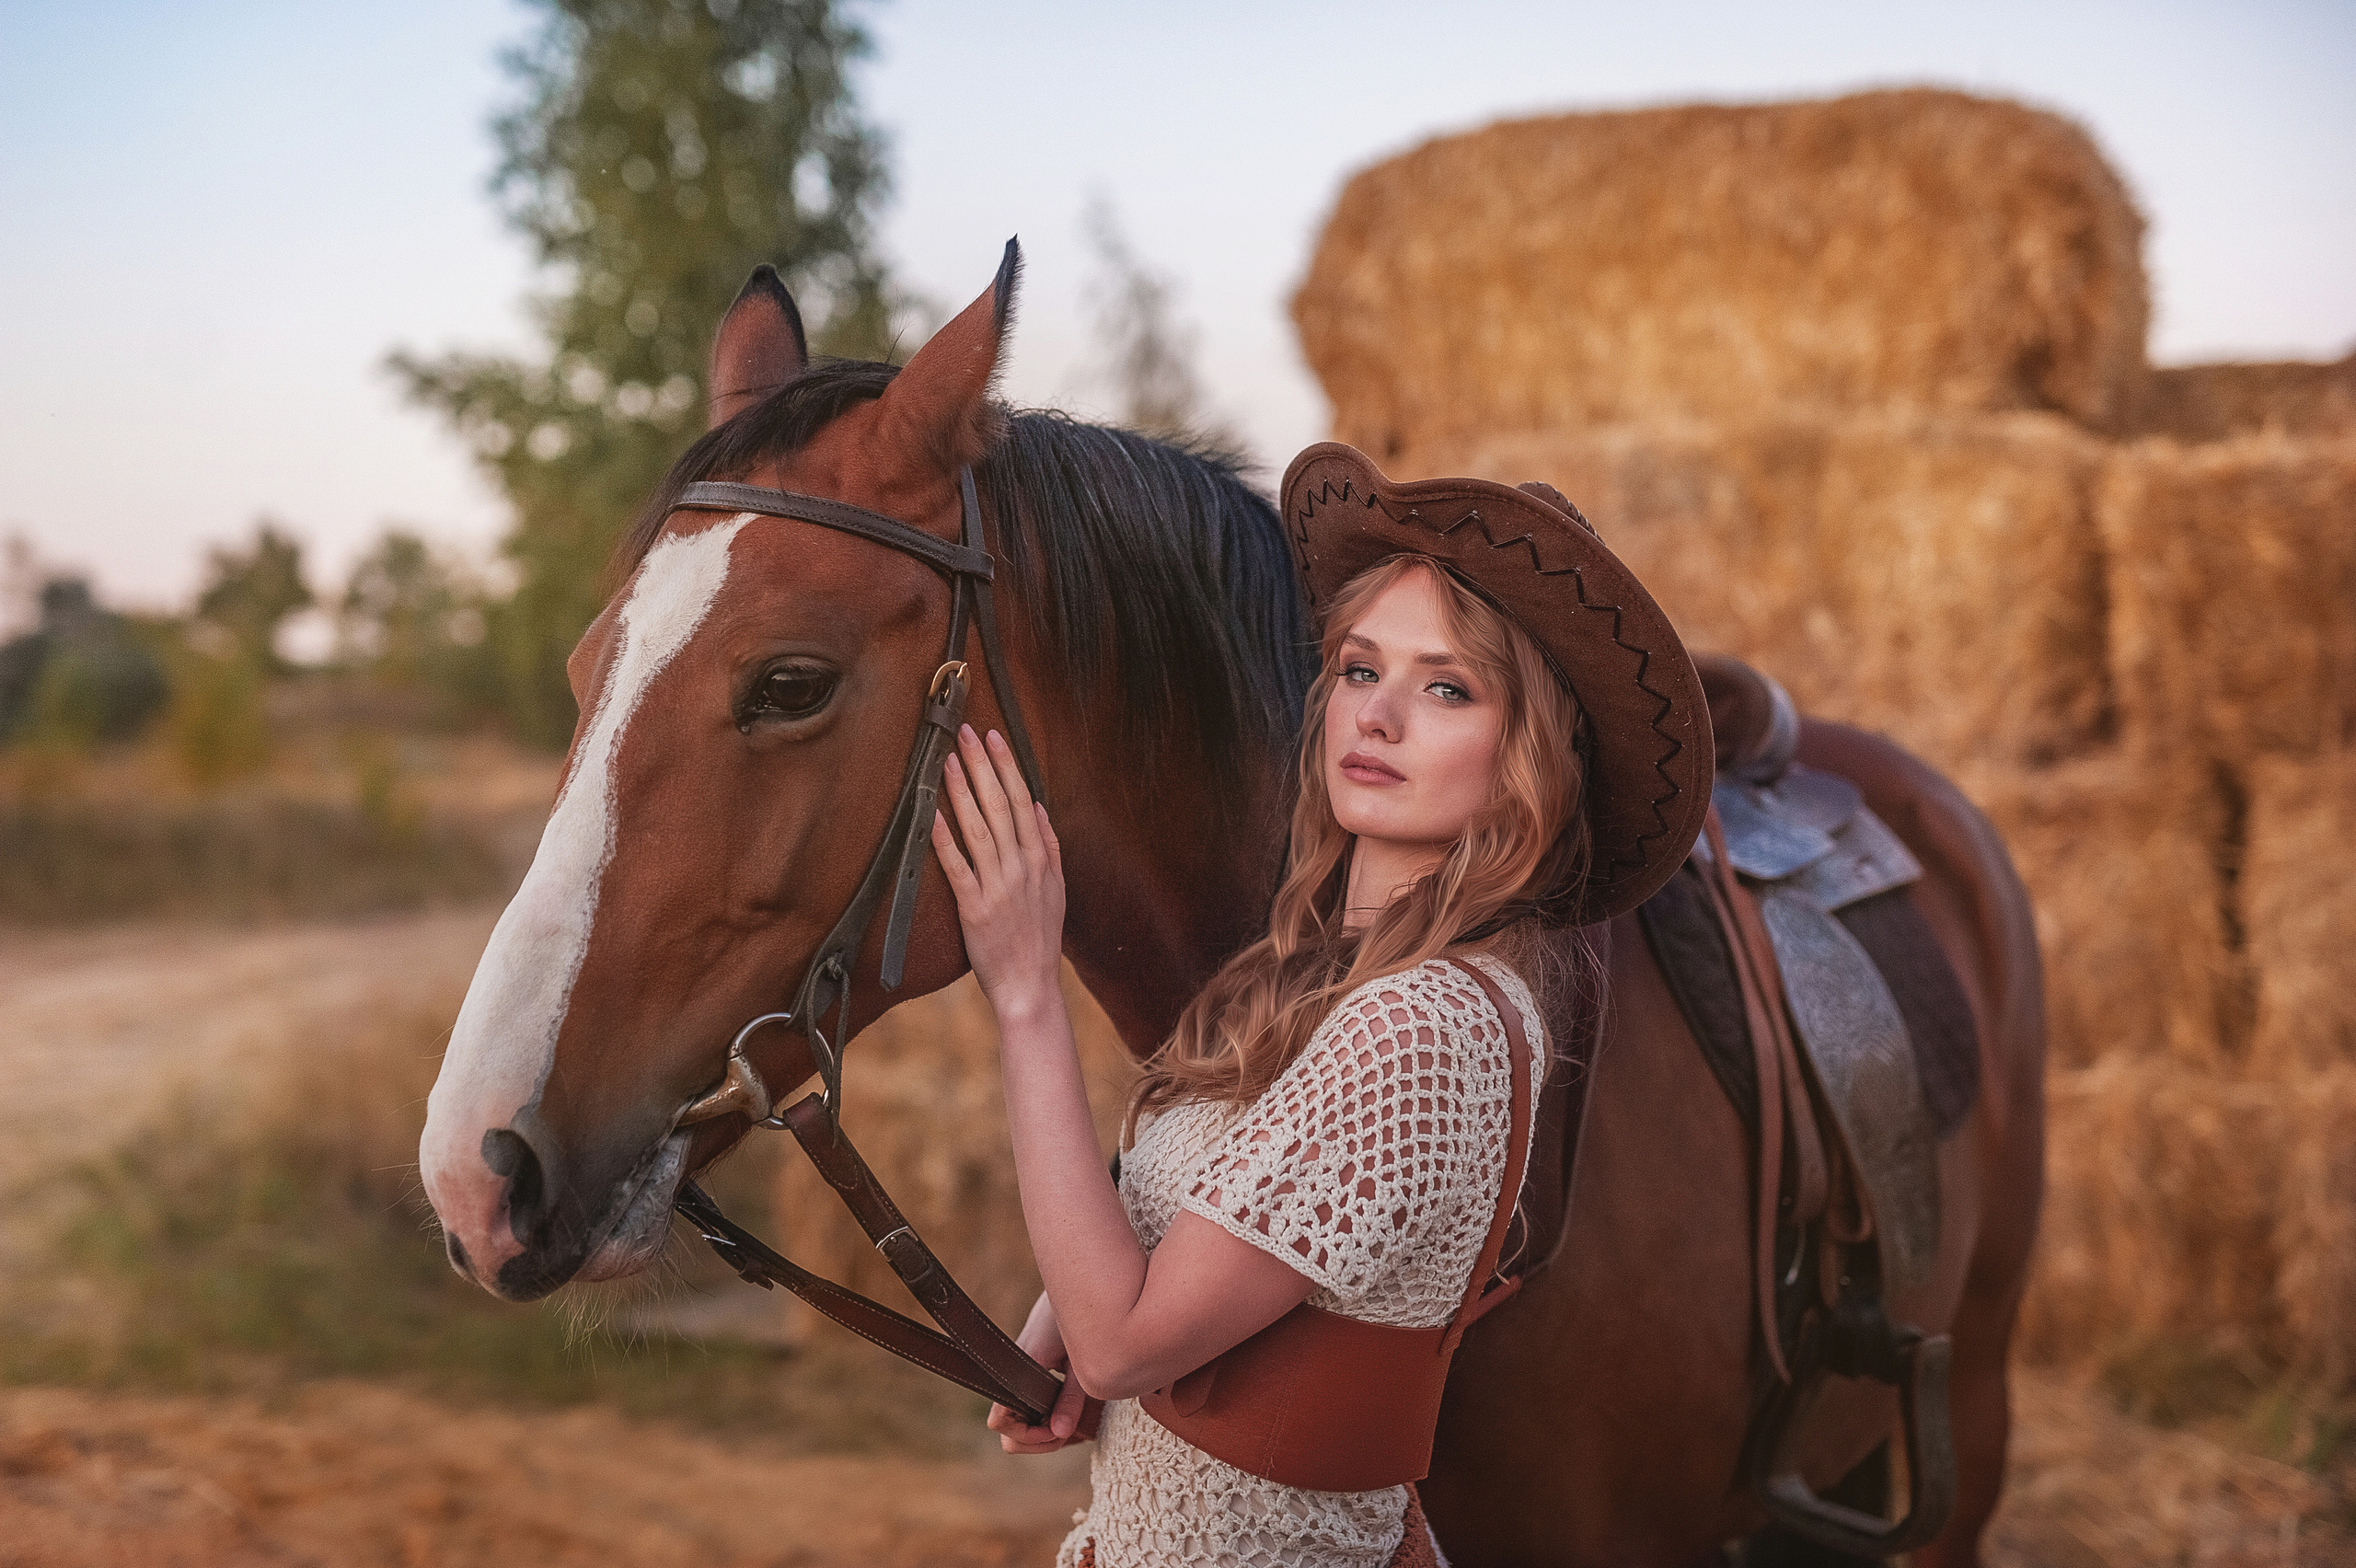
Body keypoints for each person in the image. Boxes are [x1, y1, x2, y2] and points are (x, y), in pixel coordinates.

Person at [928, 444, 1709, 1568]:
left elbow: (1124, 1350)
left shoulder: (1420, 1029)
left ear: (1525, 753)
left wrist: (1022, 991)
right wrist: (1095, 1258)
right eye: (1357, 668)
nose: (1375, 717)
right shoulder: (1317, 978)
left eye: (1446, 687)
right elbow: (1208, 1219)